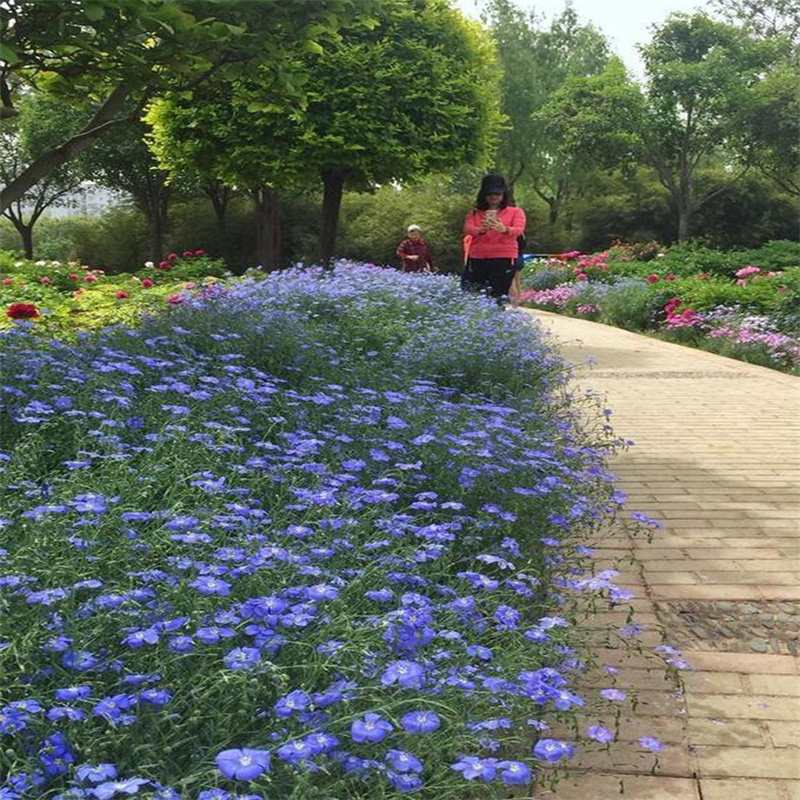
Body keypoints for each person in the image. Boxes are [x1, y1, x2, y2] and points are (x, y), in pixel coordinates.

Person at [461, 175, 526, 301]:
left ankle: (497, 318)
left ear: (503, 195)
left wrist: (504, 229)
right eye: (489, 193)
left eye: (497, 193)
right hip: (478, 256)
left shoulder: (515, 212)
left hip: (504, 256)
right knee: (476, 292)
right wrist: (481, 230)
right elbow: (467, 229)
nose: (493, 197)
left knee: (498, 294)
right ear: (483, 195)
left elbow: (519, 229)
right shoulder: (474, 213)